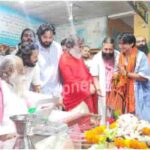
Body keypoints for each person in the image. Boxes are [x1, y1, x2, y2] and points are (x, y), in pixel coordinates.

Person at [112, 33, 150, 121]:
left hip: (139, 94)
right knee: (123, 121)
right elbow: (117, 72)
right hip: (122, 93)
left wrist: (126, 73)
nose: (121, 46)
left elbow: (144, 77)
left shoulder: (141, 56)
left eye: (124, 43)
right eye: (120, 43)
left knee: (141, 122)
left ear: (131, 44)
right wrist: (116, 77)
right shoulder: (119, 56)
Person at [59, 36, 98, 114]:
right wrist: (87, 89)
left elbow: (86, 73)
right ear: (71, 47)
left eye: (81, 46)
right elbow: (70, 80)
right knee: (79, 124)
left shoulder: (78, 57)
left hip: (87, 95)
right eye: (79, 46)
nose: (81, 49)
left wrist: (91, 83)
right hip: (75, 96)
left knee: (90, 122)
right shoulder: (64, 59)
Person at [90, 37, 120, 124]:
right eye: (105, 49)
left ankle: (116, 131)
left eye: (110, 49)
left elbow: (121, 72)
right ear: (102, 47)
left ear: (114, 48)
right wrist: (98, 88)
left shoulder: (118, 55)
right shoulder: (96, 58)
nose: (108, 51)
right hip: (102, 89)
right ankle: (104, 132)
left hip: (115, 89)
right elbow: (94, 76)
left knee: (116, 112)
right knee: (103, 113)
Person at [0, 55, 28, 135]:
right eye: (21, 70)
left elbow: (28, 109)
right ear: (10, 70)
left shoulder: (16, 87)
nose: (23, 74)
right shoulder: (2, 88)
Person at [37, 24, 62, 96]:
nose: (47, 40)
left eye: (50, 37)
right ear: (39, 36)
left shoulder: (57, 47)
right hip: (41, 90)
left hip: (57, 89)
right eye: (45, 37)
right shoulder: (35, 48)